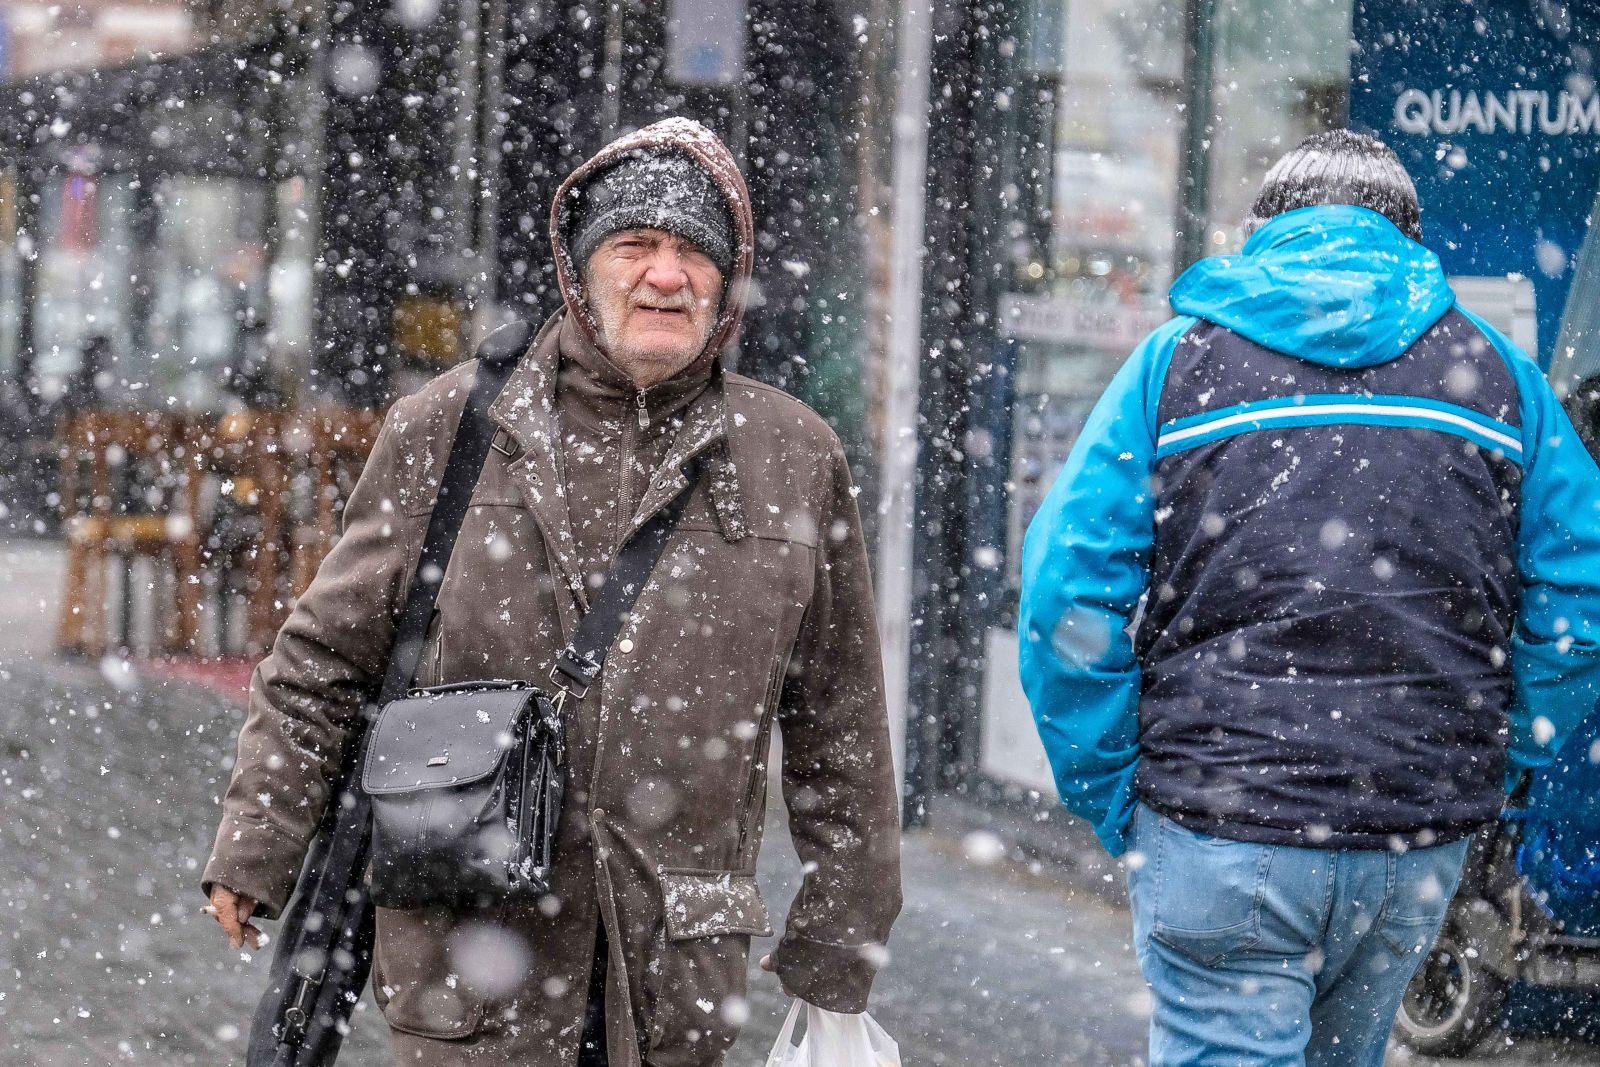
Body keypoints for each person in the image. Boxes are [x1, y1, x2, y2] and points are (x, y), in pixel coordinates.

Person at [203, 117, 902, 1066]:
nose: (667, 275)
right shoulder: (447, 428)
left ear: (727, 282)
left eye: (695, 251)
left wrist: (838, 936)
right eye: (636, 245)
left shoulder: (793, 456)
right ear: (578, 270)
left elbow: (840, 719)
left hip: (673, 973)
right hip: (473, 956)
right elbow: (323, 658)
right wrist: (258, 842)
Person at [1019, 129, 1600, 1066]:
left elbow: (1066, 599)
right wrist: (1496, 737)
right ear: (1412, 241)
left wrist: (1111, 787)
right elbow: (1585, 591)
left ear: (1263, 234)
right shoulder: (1499, 378)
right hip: (1414, 831)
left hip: (1218, 823)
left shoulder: (1178, 367)